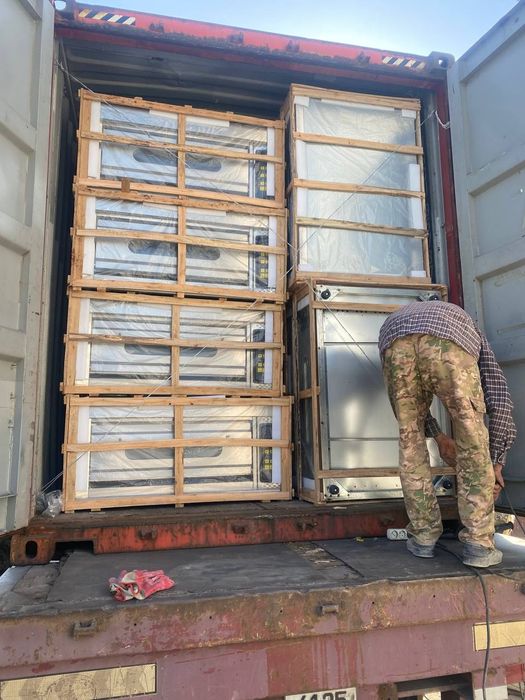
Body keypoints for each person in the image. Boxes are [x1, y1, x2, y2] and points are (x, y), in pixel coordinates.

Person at [378, 299, 516, 568]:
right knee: (472, 439)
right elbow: (498, 399)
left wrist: (440, 437)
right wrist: (497, 460)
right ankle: (478, 544)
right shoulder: (468, 327)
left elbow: (413, 410)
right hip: (447, 341)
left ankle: (423, 537)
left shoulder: (397, 320)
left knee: (410, 439)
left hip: (393, 341)